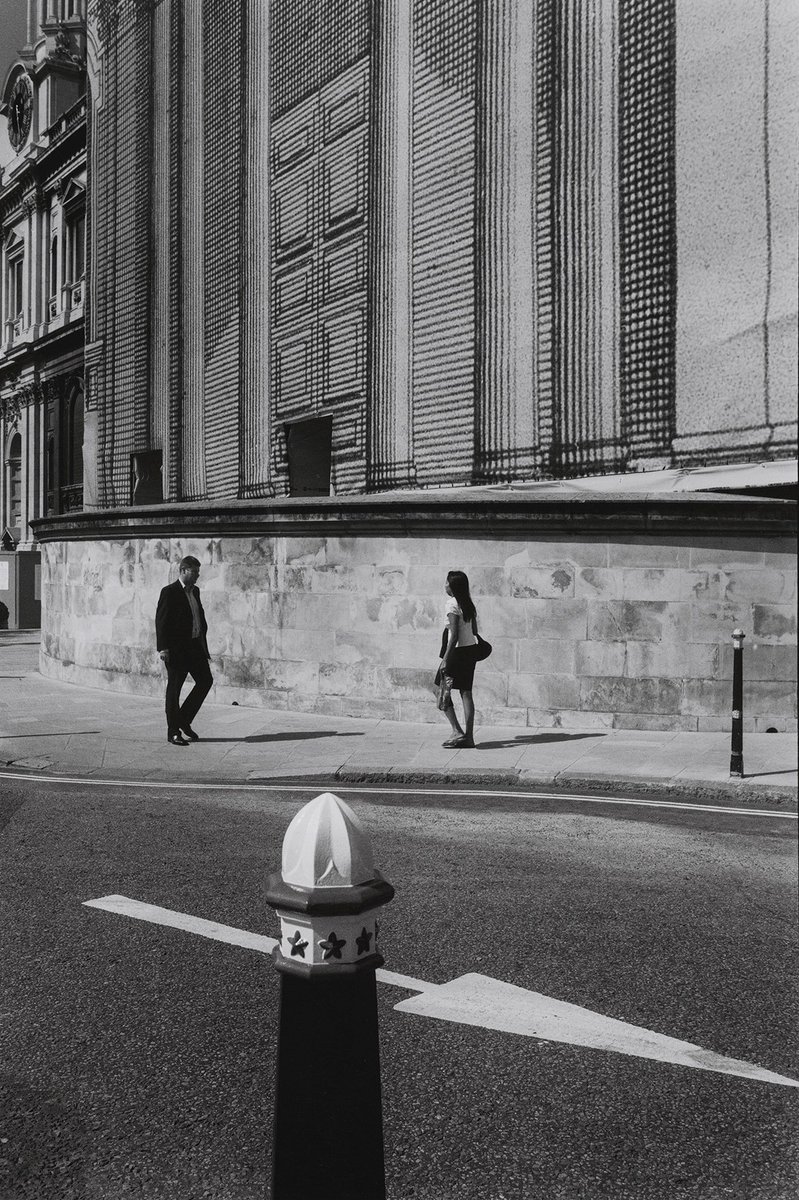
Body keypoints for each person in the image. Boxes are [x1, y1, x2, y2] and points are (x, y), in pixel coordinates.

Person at [155, 556, 213, 746]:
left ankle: (183, 720)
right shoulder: (169, 592)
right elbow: (161, 621)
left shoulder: (195, 591)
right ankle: (173, 731)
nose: (197, 576)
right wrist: (163, 648)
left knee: (205, 681)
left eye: (198, 572)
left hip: (195, 647)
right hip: (177, 650)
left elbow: (198, 617)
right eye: (194, 572)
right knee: (174, 690)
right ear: (183, 571)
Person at [439, 569, 480, 749]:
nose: (445, 585)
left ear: (453, 586)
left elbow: (454, 636)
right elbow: (475, 631)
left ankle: (457, 731)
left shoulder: (452, 604)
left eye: (447, 582)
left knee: (441, 690)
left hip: (456, 653)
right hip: (469, 652)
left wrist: (445, 659)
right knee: (466, 693)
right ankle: (469, 737)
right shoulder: (468, 604)